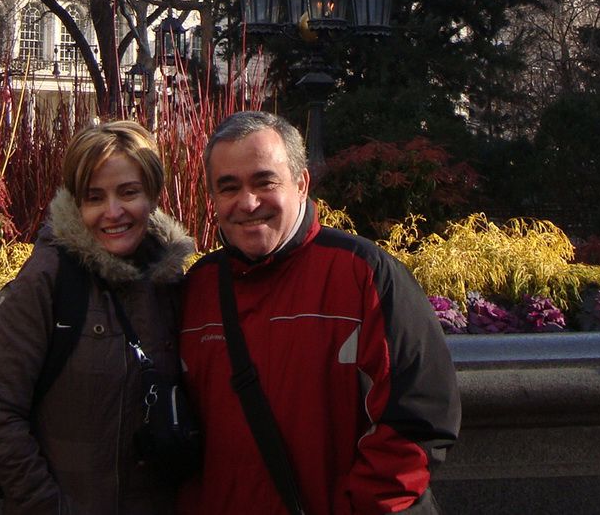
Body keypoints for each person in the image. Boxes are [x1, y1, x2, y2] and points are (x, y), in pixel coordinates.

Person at [178, 111, 461, 514]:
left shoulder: (365, 274)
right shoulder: (197, 289)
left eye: (264, 182)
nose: (248, 202)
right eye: (229, 187)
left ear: (302, 183)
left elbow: (418, 419)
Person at [0, 120, 194, 514]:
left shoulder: (171, 283)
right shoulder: (48, 280)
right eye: (95, 197)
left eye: (128, 192)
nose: (113, 212)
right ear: (76, 202)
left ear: (153, 195)